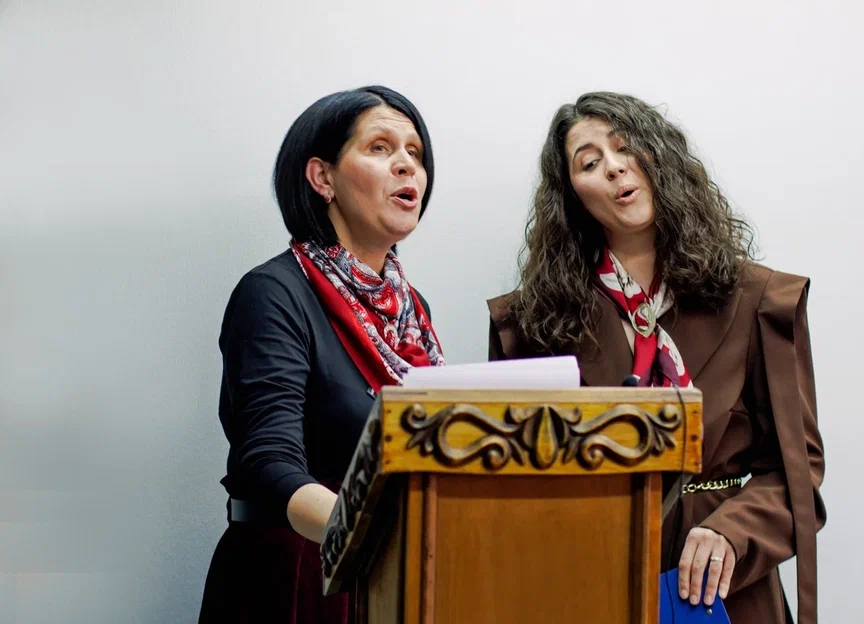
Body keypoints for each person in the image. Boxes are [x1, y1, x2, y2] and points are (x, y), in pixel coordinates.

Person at [486, 92, 825, 624]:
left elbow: (796, 474)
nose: (614, 167)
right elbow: (506, 490)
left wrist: (731, 533)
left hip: (725, 592)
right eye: (589, 163)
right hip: (587, 586)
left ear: (659, 156)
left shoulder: (760, 301)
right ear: (571, 196)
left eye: (625, 147)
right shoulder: (531, 324)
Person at [198, 85, 445, 624]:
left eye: (415, 153)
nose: (407, 165)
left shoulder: (411, 309)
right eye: (380, 148)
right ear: (322, 177)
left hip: (395, 572)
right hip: (301, 576)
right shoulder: (274, 293)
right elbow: (267, 463)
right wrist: (376, 536)